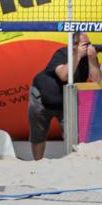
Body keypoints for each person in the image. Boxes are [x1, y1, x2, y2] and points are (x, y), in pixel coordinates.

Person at [29, 32, 102, 160]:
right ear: (74, 45)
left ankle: (71, 161)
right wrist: (77, 55)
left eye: (90, 43)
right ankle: (37, 163)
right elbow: (65, 76)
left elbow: (96, 80)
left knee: (73, 135)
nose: (89, 46)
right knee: (38, 134)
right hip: (41, 97)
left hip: (66, 101)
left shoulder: (89, 57)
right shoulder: (62, 53)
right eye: (86, 44)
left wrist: (92, 58)